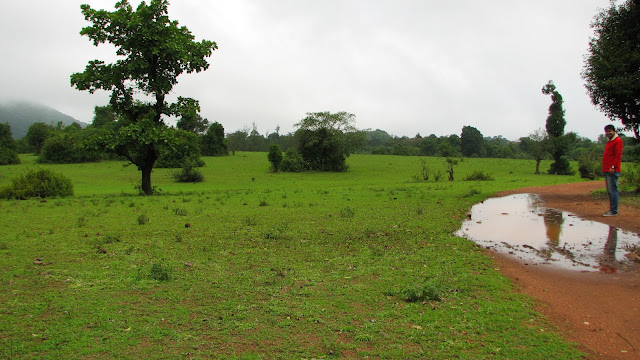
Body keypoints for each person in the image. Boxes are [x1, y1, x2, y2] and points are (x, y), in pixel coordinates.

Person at [602, 124, 623, 216]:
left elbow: (618, 155)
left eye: (610, 131)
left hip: (612, 169)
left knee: (613, 190)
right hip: (607, 169)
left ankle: (614, 211)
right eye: (607, 131)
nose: (608, 133)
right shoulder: (609, 141)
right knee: (610, 191)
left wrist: (613, 167)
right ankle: (612, 209)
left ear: (614, 131)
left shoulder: (617, 141)